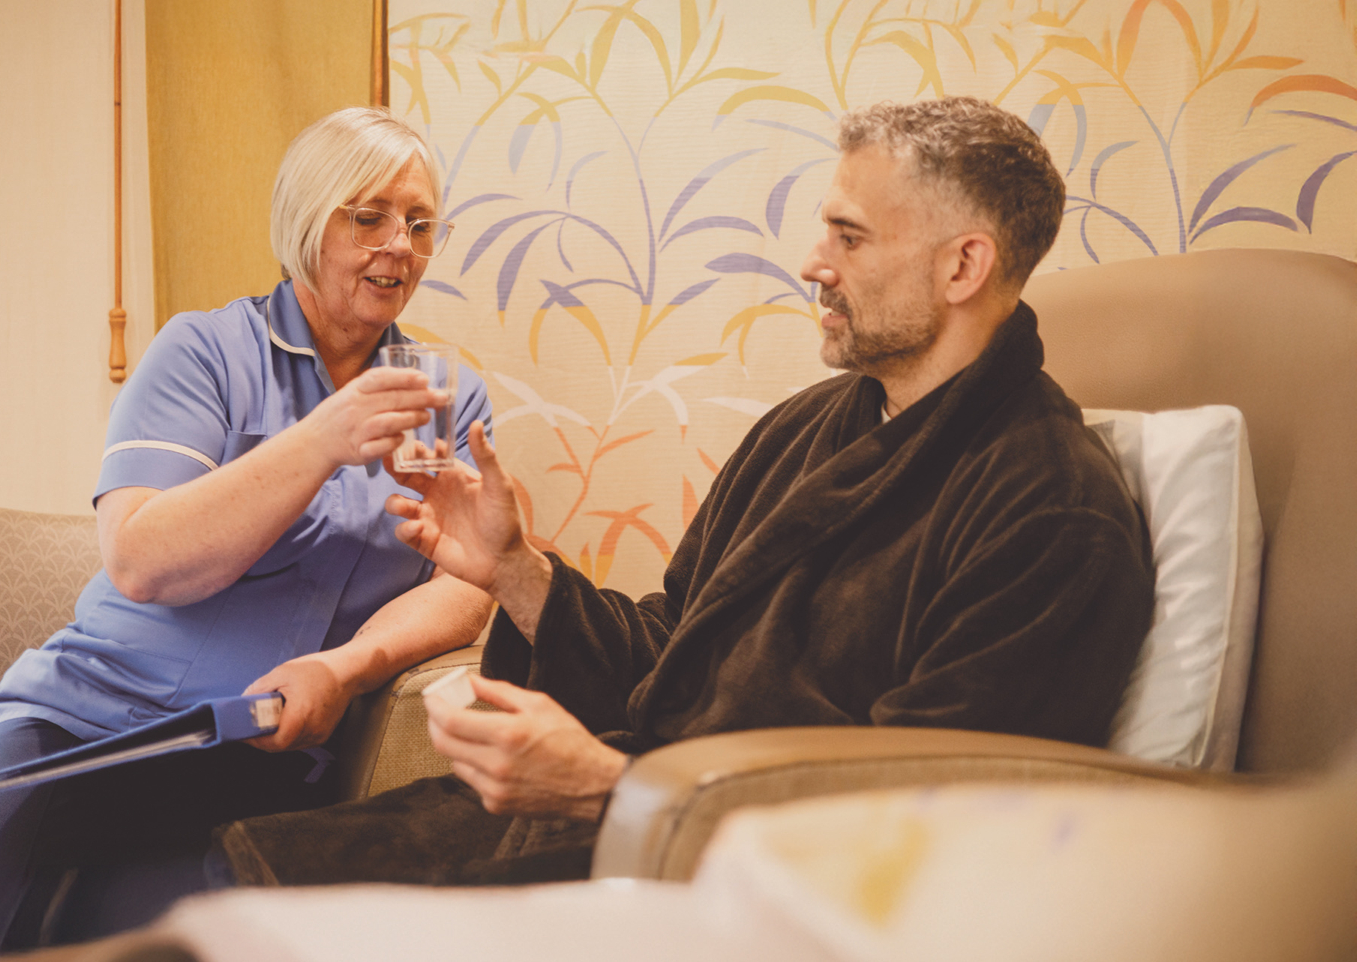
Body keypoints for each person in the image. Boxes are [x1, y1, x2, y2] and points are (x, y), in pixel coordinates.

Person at [212, 96, 1156, 886]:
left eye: (850, 236)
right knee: (252, 879)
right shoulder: (809, 427)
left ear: (963, 265)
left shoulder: (1048, 512)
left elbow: (930, 824)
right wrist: (515, 570)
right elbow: (669, 648)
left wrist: (607, 787)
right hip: (641, 818)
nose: (812, 263)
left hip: (734, 887)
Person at [0, 107, 494, 961]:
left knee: (176, 921)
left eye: (422, 223)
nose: (400, 242)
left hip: (257, 747)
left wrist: (343, 667)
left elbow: (465, 582)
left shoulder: (440, 393)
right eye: (370, 216)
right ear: (306, 219)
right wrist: (322, 438)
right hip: (89, 720)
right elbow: (138, 559)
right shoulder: (203, 351)